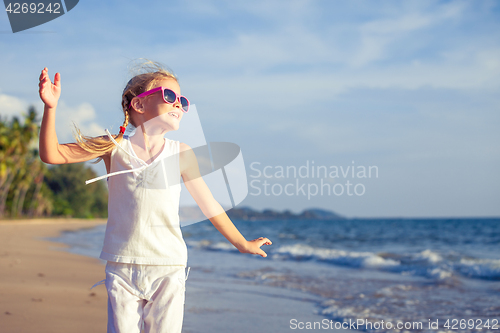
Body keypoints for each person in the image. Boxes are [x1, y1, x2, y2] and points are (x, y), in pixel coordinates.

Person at [38, 60, 272, 333]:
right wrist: (50, 107)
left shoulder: (181, 153)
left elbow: (209, 205)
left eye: (182, 100)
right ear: (139, 105)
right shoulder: (113, 147)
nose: (178, 105)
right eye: (169, 96)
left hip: (168, 267)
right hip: (122, 265)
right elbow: (51, 154)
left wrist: (242, 243)